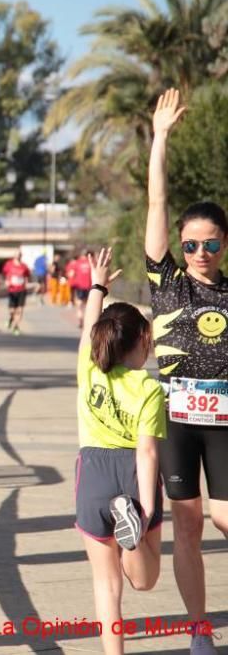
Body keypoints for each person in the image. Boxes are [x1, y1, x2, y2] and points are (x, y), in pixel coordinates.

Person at [145, 88, 227, 655]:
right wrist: (160, 139)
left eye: (211, 243)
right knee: (189, 526)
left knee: (223, 519)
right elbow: (156, 206)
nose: (200, 251)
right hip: (175, 417)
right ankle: (199, 630)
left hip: (223, 419)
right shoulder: (168, 283)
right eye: (191, 243)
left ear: (224, 245)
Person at [74, 247, 164, 655]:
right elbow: (146, 452)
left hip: (92, 471)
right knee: (144, 579)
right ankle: (134, 537)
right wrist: (144, 510)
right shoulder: (146, 388)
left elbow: (90, 325)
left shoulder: (90, 369)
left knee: (105, 584)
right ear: (143, 340)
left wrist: (97, 284)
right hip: (131, 474)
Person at [1, 251, 31, 335]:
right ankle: (11, 319)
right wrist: (6, 281)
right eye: (16, 255)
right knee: (12, 310)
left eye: (19, 255)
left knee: (20, 310)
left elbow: (27, 275)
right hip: (12, 290)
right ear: (14, 255)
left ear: (21, 256)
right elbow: (3, 273)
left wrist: (26, 281)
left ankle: (16, 326)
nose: (18, 256)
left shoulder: (24, 266)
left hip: (21, 290)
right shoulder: (8, 264)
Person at [71, 250, 93, 327]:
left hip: (80, 286)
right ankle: (86, 321)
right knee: (87, 305)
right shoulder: (91, 263)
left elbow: (71, 274)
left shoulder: (77, 263)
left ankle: (80, 319)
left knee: (80, 305)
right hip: (88, 286)